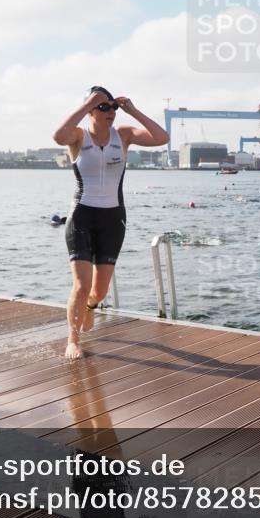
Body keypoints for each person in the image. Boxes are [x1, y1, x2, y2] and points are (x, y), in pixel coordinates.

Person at [52, 86, 170, 359]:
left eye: (112, 107)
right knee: (81, 286)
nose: (110, 112)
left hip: (112, 218)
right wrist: (85, 106)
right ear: (91, 110)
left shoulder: (124, 135)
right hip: (82, 216)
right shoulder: (78, 137)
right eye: (103, 107)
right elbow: (57, 136)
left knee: (99, 291)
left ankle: (91, 309)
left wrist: (133, 110)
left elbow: (162, 137)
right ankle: (72, 339)